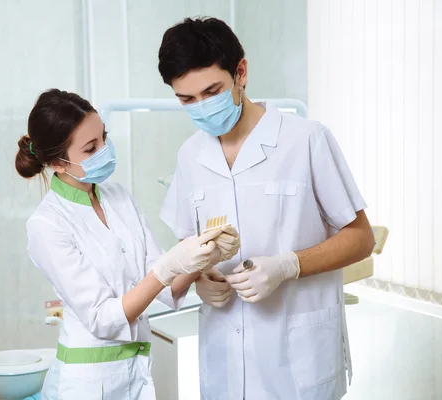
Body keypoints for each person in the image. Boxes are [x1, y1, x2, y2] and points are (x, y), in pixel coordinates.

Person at [157, 17, 375, 400]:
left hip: (297, 364)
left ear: (240, 72)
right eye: (187, 100)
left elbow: (360, 239)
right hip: (224, 362)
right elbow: (188, 245)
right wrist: (200, 280)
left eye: (212, 91)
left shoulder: (306, 139)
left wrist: (287, 265)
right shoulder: (190, 155)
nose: (202, 108)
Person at [14, 89, 240, 399]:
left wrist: (204, 256)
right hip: (88, 384)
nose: (105, 150)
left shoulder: (116, 195)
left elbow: (162, 286)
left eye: (104, 138)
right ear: (58, 162)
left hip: (136, 373)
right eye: (91, 148)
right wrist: (169, 266)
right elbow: (103, 318)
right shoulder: (47, 225)